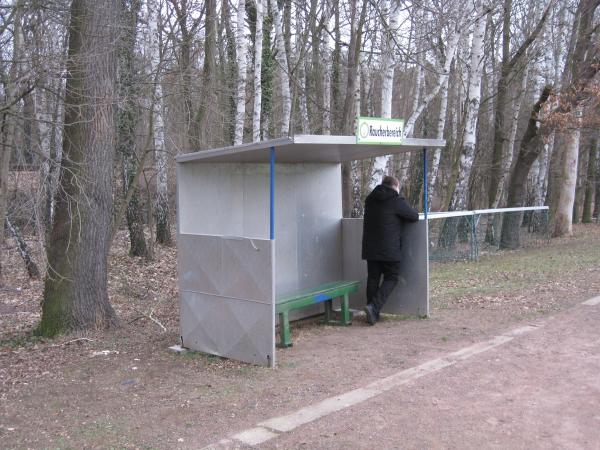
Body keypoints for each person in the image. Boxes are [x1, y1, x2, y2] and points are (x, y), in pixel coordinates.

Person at [362, 175, 419, 325]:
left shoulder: (370, 199)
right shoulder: (395, 200)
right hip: (389, 248)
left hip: (370, 248)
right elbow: (414, 216)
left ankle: (372, 313)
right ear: (395, 186)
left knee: (373, 278)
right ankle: (373, 307)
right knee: (392, 277)